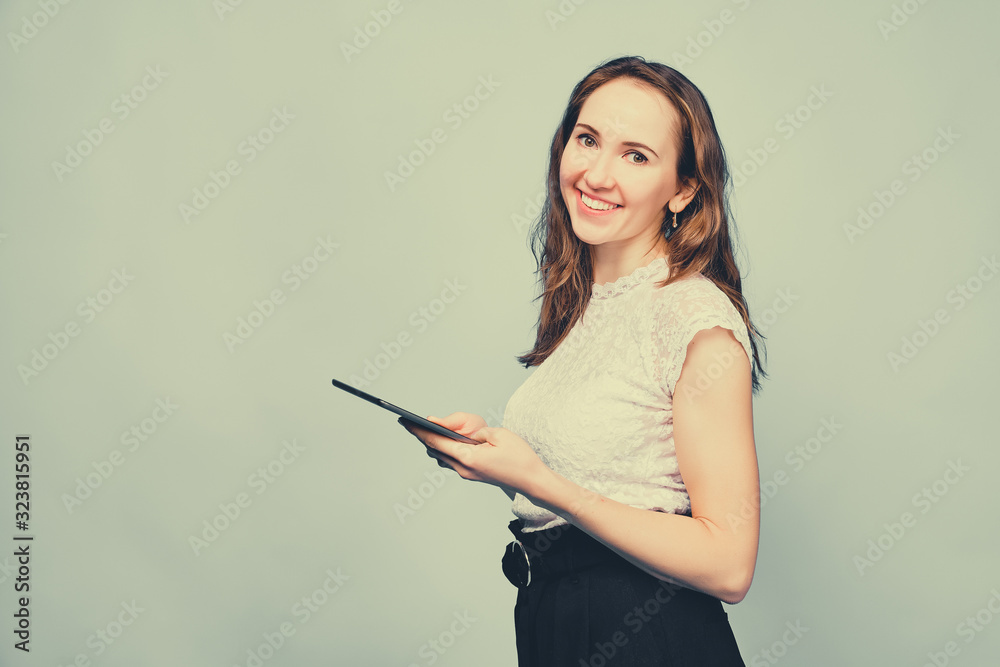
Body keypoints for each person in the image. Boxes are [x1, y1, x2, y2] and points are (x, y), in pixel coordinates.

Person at [399, 54, 767, 666]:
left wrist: (536, 480)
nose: (597, 174)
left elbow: (730, 564)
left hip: (643, 632)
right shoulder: (588, 307)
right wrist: (497, 454)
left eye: (636, 155)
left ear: (683, 190)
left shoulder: (695, 320)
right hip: (558, 618)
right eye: (588, 139)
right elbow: (610, 476)